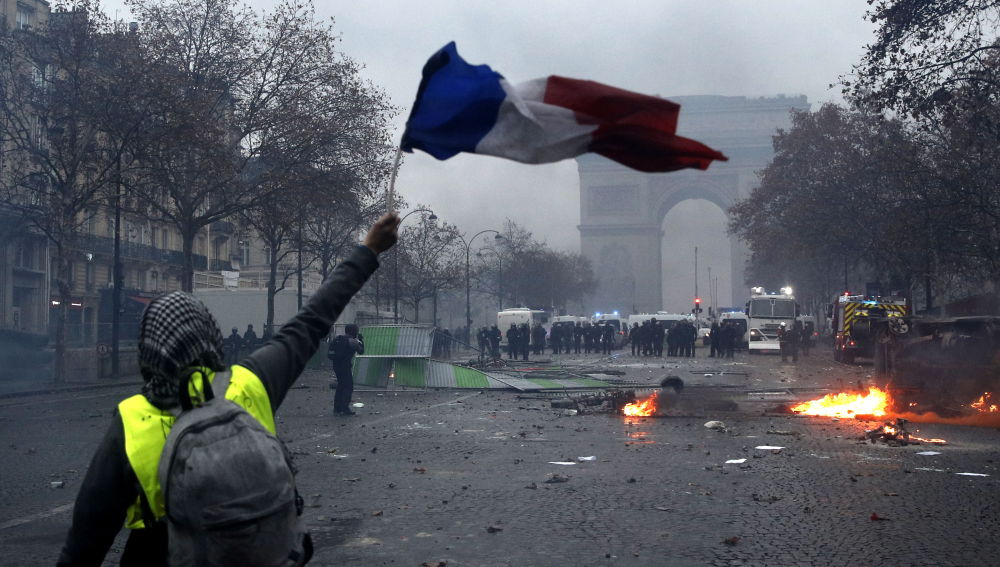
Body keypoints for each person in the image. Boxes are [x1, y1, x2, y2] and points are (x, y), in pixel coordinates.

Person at [56, 213, 399, 567]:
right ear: (210, 333)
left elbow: (86, 540)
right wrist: (369, 249)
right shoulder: (251, 382)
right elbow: (314, 317)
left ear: (147, 351)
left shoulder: (132, 420)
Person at [328, 324, 365, 416]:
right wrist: (361, 340)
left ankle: (337, 408)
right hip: (345, 367)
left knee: (340, 386)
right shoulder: (352, 341)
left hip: (336, 366)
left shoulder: (337, 339)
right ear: (354, 332)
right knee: (348, 387)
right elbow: (361, 351)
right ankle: (345, 408)